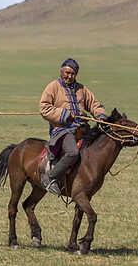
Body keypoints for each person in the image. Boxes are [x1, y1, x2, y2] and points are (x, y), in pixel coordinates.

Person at [39, 58, 107, 195]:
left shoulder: (82, 89)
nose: (69, 76)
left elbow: (94, 104)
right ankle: (50, 177)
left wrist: (100, 116)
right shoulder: (53, 87)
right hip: (62, 130)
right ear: (61, 71)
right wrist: (64, 114)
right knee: (73, 152)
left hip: (81, 128)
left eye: (72, 74)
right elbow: (44, 107)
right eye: (67, 73)